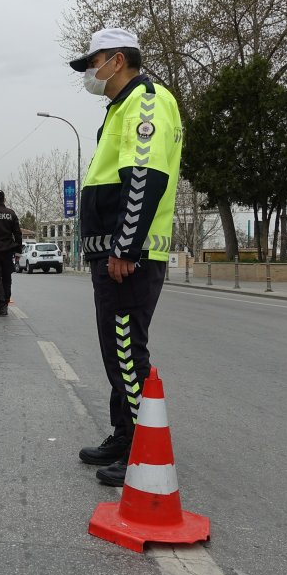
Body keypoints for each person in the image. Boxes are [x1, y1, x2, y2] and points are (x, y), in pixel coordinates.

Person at [68, 28, 182, 486]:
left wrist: (124, 246)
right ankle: (124, 433)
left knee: (127, 352)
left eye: (91, 63)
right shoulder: (121, 106)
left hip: (128, 258)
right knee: (117, 350)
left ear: (117, 60)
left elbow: (144, 175)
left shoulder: (147, 102)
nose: (88, 74)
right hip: (114, 254)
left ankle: (140, 446)